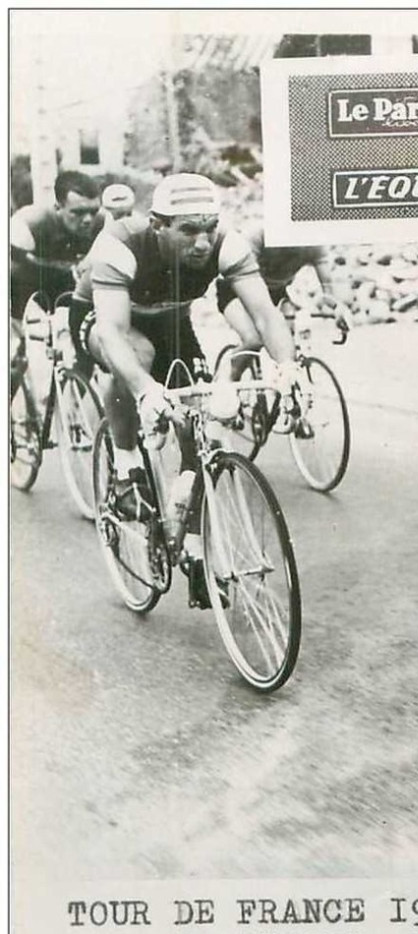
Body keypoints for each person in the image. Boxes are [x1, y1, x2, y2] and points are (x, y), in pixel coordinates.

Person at [71, 172, 299, 609]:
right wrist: (145, 391)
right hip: (107, 322)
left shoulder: (227, 244)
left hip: (172, 320)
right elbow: (115, 334)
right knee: (136, 357)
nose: (202, 242)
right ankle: (125, 465)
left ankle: (193, 545)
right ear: (157, 225)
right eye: (188, 230)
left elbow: (267, 315)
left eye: (209, 228)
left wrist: (287, 367)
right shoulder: (120, 243)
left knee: (200, 426)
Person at [214, 224, 353, 382]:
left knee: (287, 348)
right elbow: (242, 276)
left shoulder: (313, 245)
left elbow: (328, 287)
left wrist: (338, 309)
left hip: (276, 291)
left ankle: (280, 392)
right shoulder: (258, 236)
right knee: (254, 339)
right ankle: (227, 380)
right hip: (236, 290)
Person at [9, 170, 105, 395]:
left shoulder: (103, 224)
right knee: (12, 356)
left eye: (93, 211)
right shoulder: (30, 221)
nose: (88, 220)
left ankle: (70, 414)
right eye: (78, 213)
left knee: (83, 346)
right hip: (20, 284)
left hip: (65, 284)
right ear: (57, 207)